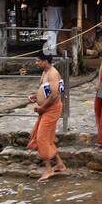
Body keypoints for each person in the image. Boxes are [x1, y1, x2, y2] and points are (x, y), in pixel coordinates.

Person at [26, 50, 66, 181]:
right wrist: (35, 96)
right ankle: (60, 164)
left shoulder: (53, 73)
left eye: (38, 61)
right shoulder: (45, 72)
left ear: (45, 61)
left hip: (51, 109)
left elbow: (54, 95)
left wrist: (42, 107)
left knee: (42, 138)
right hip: (45, 109)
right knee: (46, 138)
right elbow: (44, 89)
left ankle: (49, 170)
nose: (36, 63)